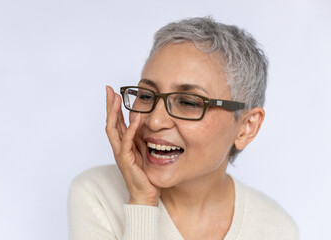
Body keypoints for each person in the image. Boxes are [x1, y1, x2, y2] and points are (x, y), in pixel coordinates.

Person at [68, 17, 299, 240]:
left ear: (246, 127)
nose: (154, 121)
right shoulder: (96, 194)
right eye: (147, 95)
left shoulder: (276, 229)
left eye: (188, 102)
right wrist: (142, 201)